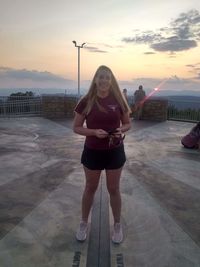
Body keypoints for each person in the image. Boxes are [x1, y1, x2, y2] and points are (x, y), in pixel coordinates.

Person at [73, 65, 131, 244]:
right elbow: (76, 127)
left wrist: (120, 129)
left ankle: (117, 225)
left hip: (114, 152)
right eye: (101, 77)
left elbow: (128, 123)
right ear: (95, 80)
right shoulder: (86, 101)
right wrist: (93, 132)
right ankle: (83, 223)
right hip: (93, 152)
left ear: (111, 80)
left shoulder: (119, 100)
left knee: (113, 189)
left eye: (107, 77)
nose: (104, 80)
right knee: (90, 188)